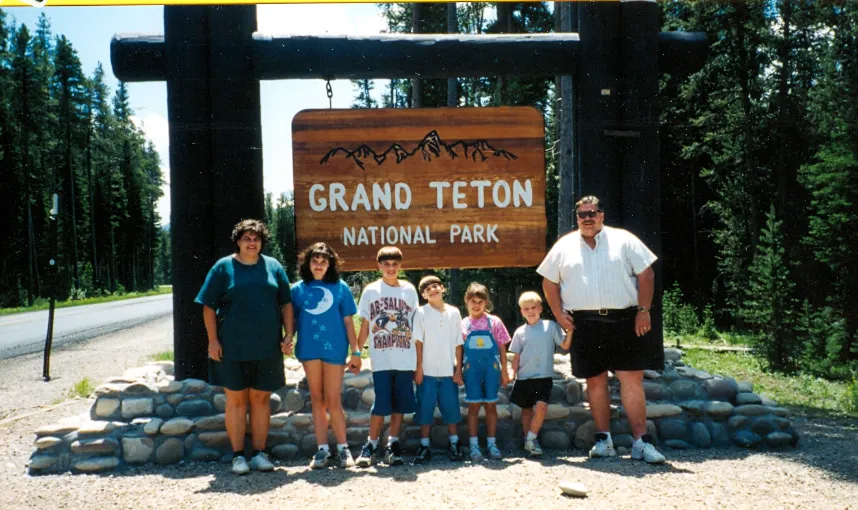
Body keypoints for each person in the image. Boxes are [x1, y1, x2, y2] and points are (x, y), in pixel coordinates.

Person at [537, 195, 666, 464]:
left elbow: (647, 275)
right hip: (584, 323)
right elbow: (549, 282)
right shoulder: (564, 246)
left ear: (602, 215)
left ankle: (641, 442)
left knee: (631, 380)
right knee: (595, 381)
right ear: (576, 218)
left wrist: (643, 311)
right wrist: (559, 314)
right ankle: (603, 440)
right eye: (582, 215)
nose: (587, 219)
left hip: (625, 319)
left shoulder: (624, 240)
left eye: (592, 213)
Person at [195, 219, 293, 475]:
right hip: (231, 347)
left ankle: (260, 454)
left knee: (261, 400)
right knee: (236, 401)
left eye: (257, 239)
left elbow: (286, 304)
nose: (252, 243)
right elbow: (208, 306)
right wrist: (213, 340)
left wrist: (288, 334)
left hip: (267, 346)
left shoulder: (273, 267)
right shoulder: (222, 267)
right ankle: (238, 456)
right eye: (247, 238)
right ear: (238, 241)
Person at [286, 242, 360, 470]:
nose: (319, 265)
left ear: (331, 264)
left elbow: (348, 322)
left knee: (333, 400)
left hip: (335, 349)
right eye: (314, 261)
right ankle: (322, 450)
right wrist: (288, 338)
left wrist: (356, 351)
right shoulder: (298, 289)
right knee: (317, 399)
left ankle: (343, 448)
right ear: (307, 264)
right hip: (309, 348)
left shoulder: (340, 287)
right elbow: (294, 320)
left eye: (324, 261)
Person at [354, 246, 419, 467]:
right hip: (381, 358)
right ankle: (371, 444)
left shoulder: (409, 290)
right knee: (381, 403)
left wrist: (419, 360)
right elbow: (364, 324)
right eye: (386, 264)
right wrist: (356, 352)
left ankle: (393, 443)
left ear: (400, 265)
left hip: (404, 357)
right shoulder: (371, 290)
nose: (391, 268)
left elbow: (416, 326)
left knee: (400, 404)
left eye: (395, 264)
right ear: (379, 265)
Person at [509, 291, 573, 457]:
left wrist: (571, 331)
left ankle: (531, 438)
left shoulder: (550, 326)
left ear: (540, 308)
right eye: (526, 308)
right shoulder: (519, 332)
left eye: (533, 307)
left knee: (542, 407)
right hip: (524, 377)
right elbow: (516, 357)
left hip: (543, 376)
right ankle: (528, 441)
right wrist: (511, 373)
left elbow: (564, 345)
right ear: (521, 311)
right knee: (526, 411)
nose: (530, 311)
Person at [411, 275, 465, 464]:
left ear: (443, 288)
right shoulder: (421, 312)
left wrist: (458, 368)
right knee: (425, 409)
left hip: (448, 372)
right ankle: (424, 445)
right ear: (424, 295)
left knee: (451, 409)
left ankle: (454, 443)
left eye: (435, 286)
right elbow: (418, 341)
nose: (432, 290)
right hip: (427, 371)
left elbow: (459, 342)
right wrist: (418, 368)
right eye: (427, 289)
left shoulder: (454, 312)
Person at [461, 282, 511, 461]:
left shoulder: (494, 322)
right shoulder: (463, 324)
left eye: (480, 302)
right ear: (467, 301)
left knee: (491, 405)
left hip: (492, 370)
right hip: (471, 371)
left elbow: (503, 348)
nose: (476, 305)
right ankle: (474, 446)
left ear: (486, 303)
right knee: (473, 406)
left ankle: (492, 444)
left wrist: (505, 371)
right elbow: (458, 350)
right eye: (473, 301)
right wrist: (457, 371)